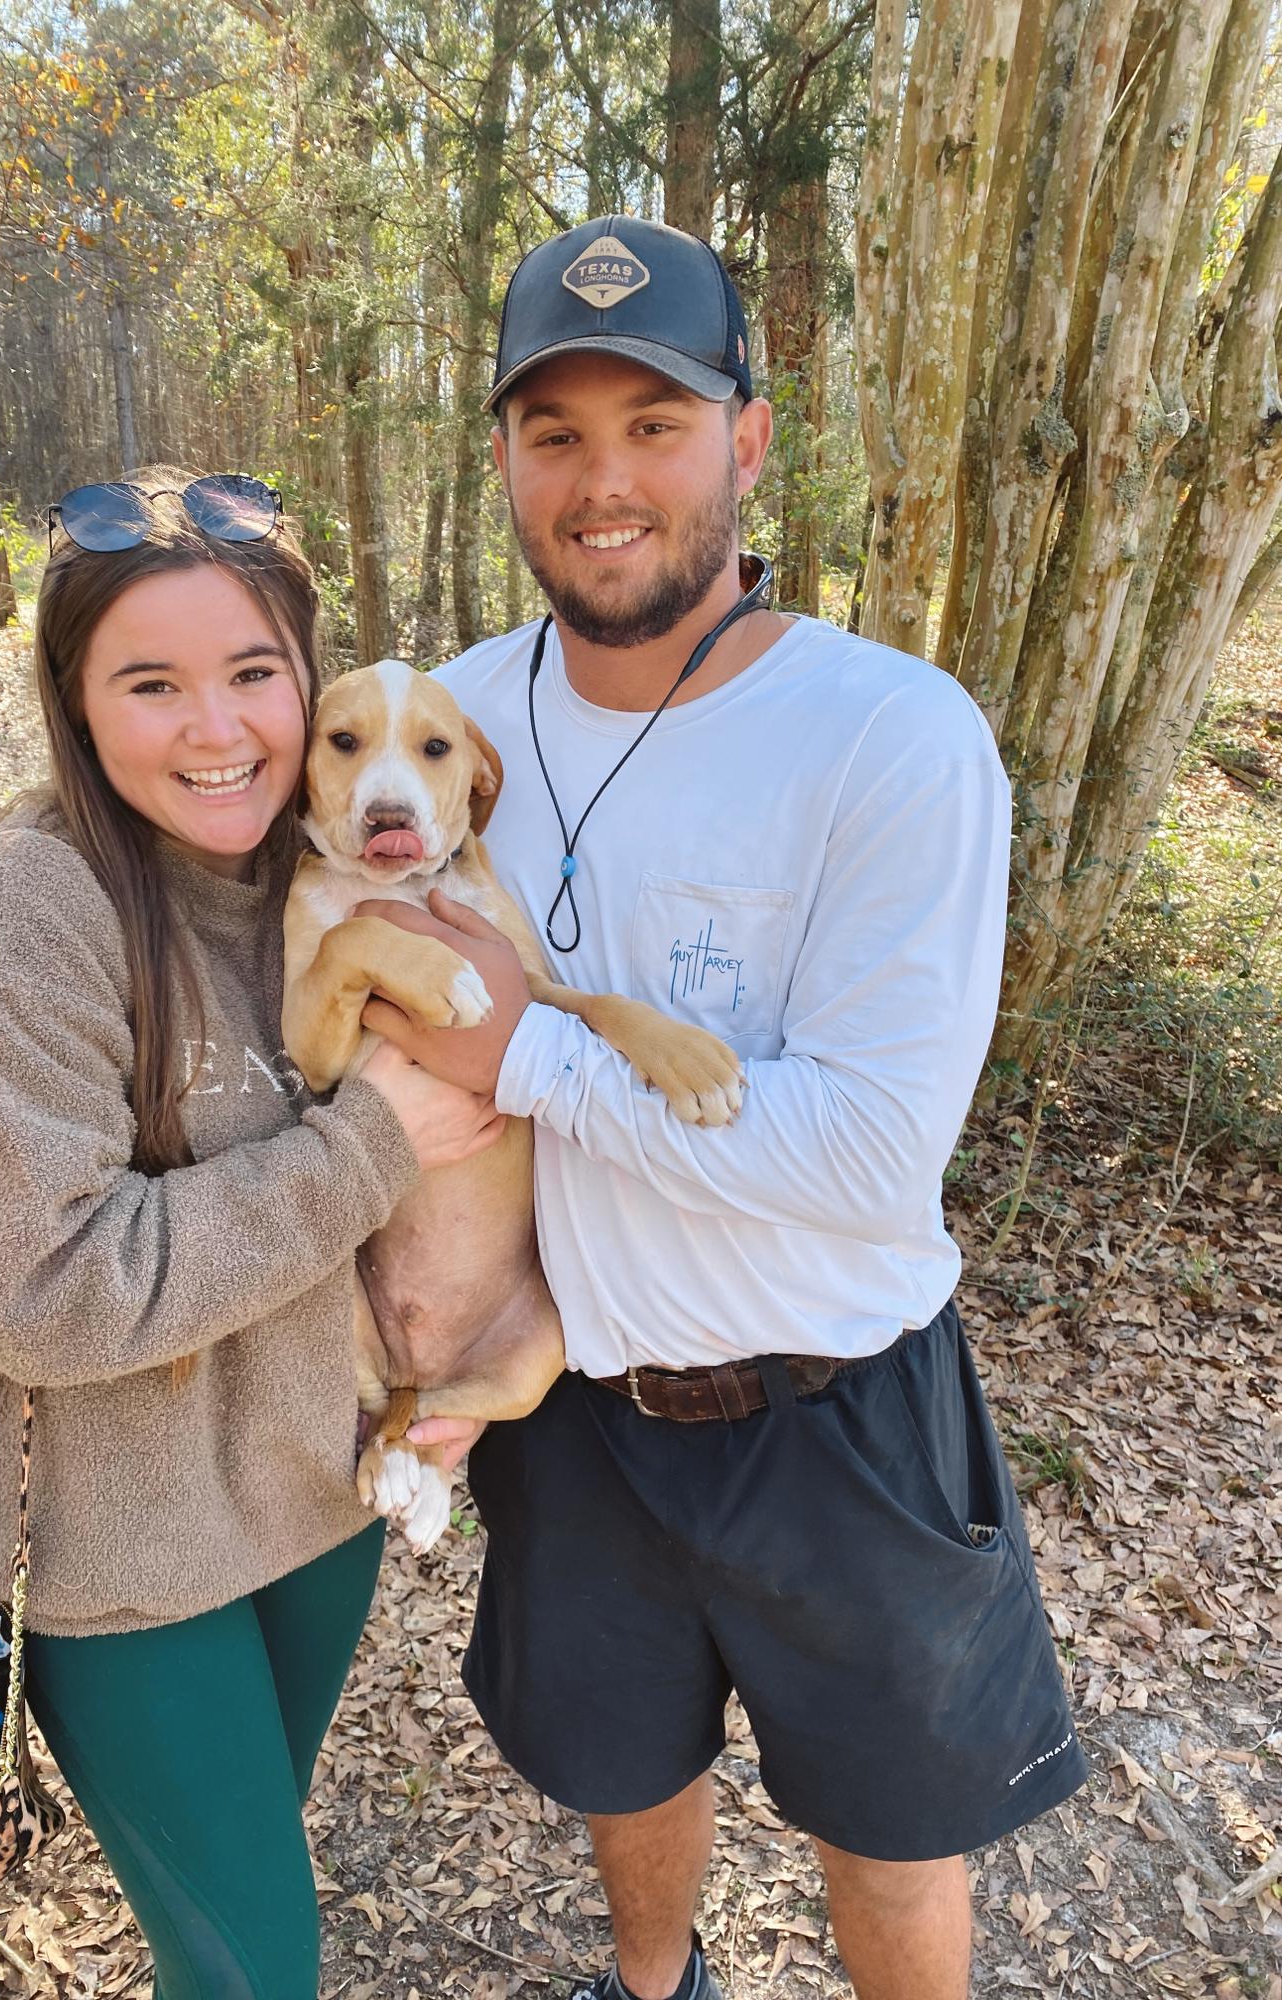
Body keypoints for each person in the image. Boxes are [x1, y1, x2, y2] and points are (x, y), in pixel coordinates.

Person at [357, 219, 1088, 2000]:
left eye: (655, 423)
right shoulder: (446, 723)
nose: (604, 481)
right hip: (577, 1410)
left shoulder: (890, 736)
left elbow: (867, 1156)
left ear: (748, 442)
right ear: (509, 462)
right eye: (557, 432)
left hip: (839, 1416)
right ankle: (654, 1984)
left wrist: (521, 1057)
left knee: (896, 1836)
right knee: (627, 1776)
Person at [0, 470, 504, 2000]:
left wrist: (438, 1375)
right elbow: (44, 1291)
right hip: (124, 1554)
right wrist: (367, 1147)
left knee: (252, 1860)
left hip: (312, 1501)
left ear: (310, 684)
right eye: (153, 684)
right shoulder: (21, 919)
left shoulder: (324, 872)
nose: (219, 732)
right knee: (252, 1964)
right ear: (76, 706)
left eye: (254, 675)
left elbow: (463, 1156)